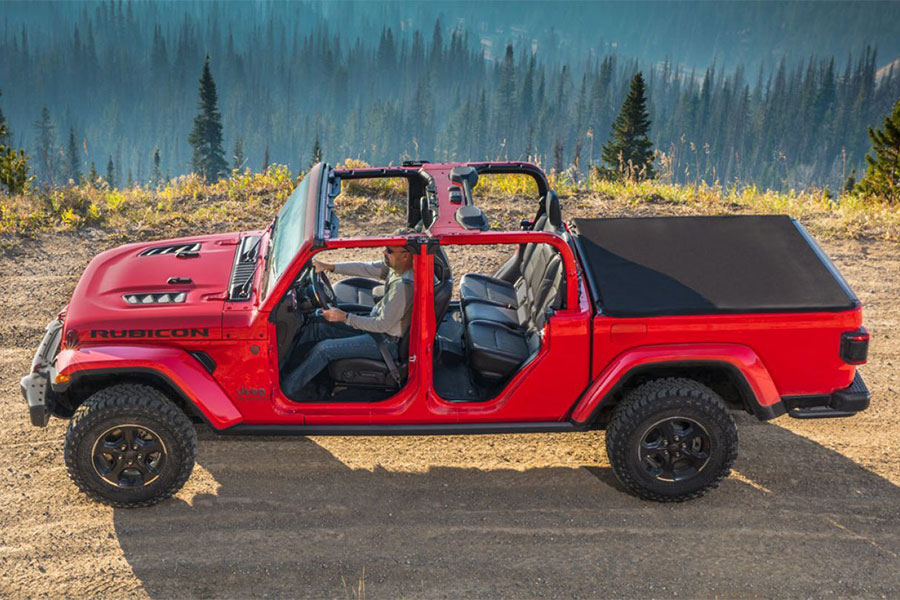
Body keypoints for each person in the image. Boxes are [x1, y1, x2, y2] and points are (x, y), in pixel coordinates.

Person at [283, 229, 415, 399]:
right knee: (316, 324)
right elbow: (366, 268)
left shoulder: (403, 287)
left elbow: (382, 325)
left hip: (386, 340)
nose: (384, 252)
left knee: (324, 349)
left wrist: (344, 317)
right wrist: (330, 267)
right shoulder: (395, 267)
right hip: (374, 324)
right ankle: (288, 368)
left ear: (406, 256)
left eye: (389, 250)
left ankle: (286, 392)